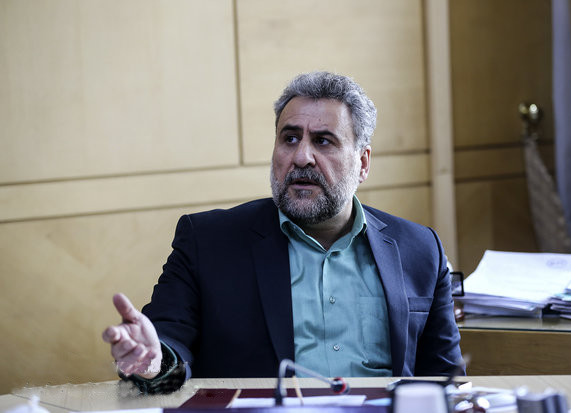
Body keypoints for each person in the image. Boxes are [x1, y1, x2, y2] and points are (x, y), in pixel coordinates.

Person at [102, 71, 463, 394]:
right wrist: (153, 363)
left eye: (323, 141)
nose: (302, 157)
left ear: (363, 162)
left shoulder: (419, 249)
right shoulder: (208, 242)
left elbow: (446, 380)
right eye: (290, 139)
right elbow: (167, 342)